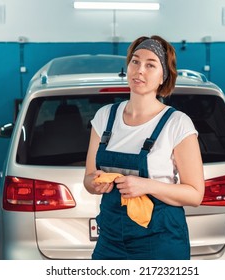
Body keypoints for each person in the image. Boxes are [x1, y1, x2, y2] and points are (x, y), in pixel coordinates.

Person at [83, 35, 205, 260]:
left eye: (150, 65)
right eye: (135, 61)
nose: (139, 70)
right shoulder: (104, 117)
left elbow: (195, 194)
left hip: (160, 242)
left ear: (163, 77)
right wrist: (94, 183)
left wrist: (146, 186)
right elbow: (88, 180)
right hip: (110, 241)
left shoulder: (177, 123)